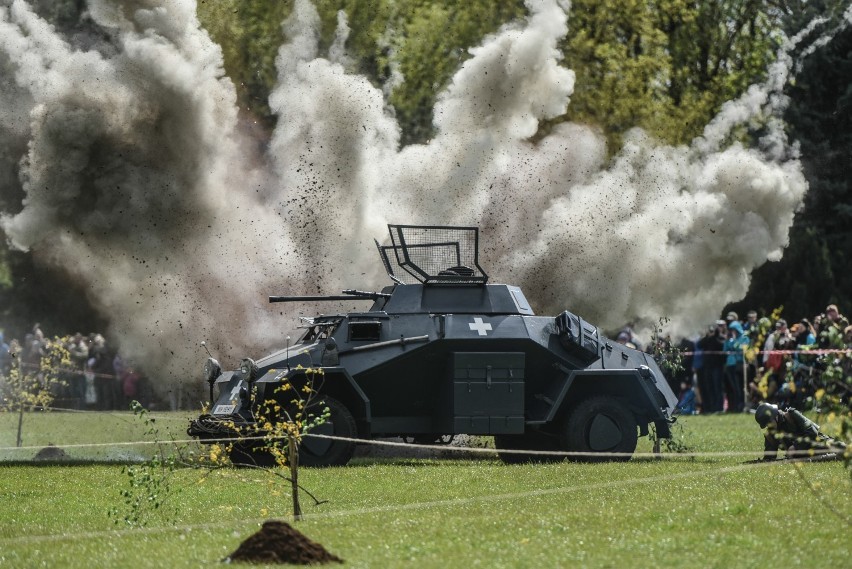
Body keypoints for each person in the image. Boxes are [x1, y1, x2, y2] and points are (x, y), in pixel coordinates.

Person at [754, 402, 846, 460]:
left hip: (819, 443)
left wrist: (795, 447)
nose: (768, 426)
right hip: (803, 455)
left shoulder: (791, 415)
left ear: (774, 417)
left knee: (845, 449)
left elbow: (812, 432)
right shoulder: (771, 432)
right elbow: (770, 457)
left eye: (768, 423)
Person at [697, 321, 726, 413]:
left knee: (717, 387)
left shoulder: (719, 338)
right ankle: (711, 407)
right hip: (707, 367)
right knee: (709, 387)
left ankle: (719, 407)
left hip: (717, 366)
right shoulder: (707, 339)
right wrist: (707, 336)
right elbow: (699, 345)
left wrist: (714, 336)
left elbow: (720, 346)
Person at [723, 320, 748, 412]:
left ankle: (741, 404)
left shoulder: (744, 338)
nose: (732, 332)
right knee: (733, 387)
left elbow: (741, 348)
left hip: (739, 365)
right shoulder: (731, 339)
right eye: (731, 330)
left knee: (739, 386)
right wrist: (727, 340)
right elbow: (725, 349)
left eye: (734, 330)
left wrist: (734, 342)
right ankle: (735, 405)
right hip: (730, 365)